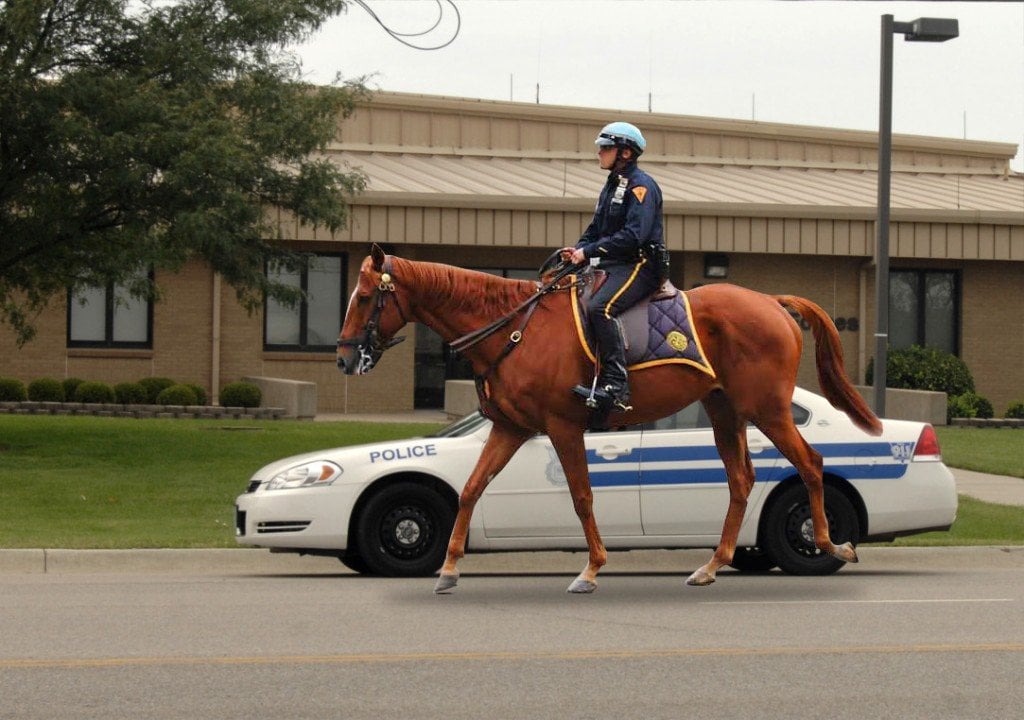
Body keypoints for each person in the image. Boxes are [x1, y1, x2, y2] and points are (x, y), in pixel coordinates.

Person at [561, 121, 666, 412]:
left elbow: (634, 237)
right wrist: (578, 250)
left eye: (605, 148)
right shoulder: (612, 185)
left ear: (625, 153)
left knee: (600, 308)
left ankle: (616, 386)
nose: (599, 153)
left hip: (641, 264)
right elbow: (596, 229)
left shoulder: (641, 186)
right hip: (615, 263)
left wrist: (590, 252)